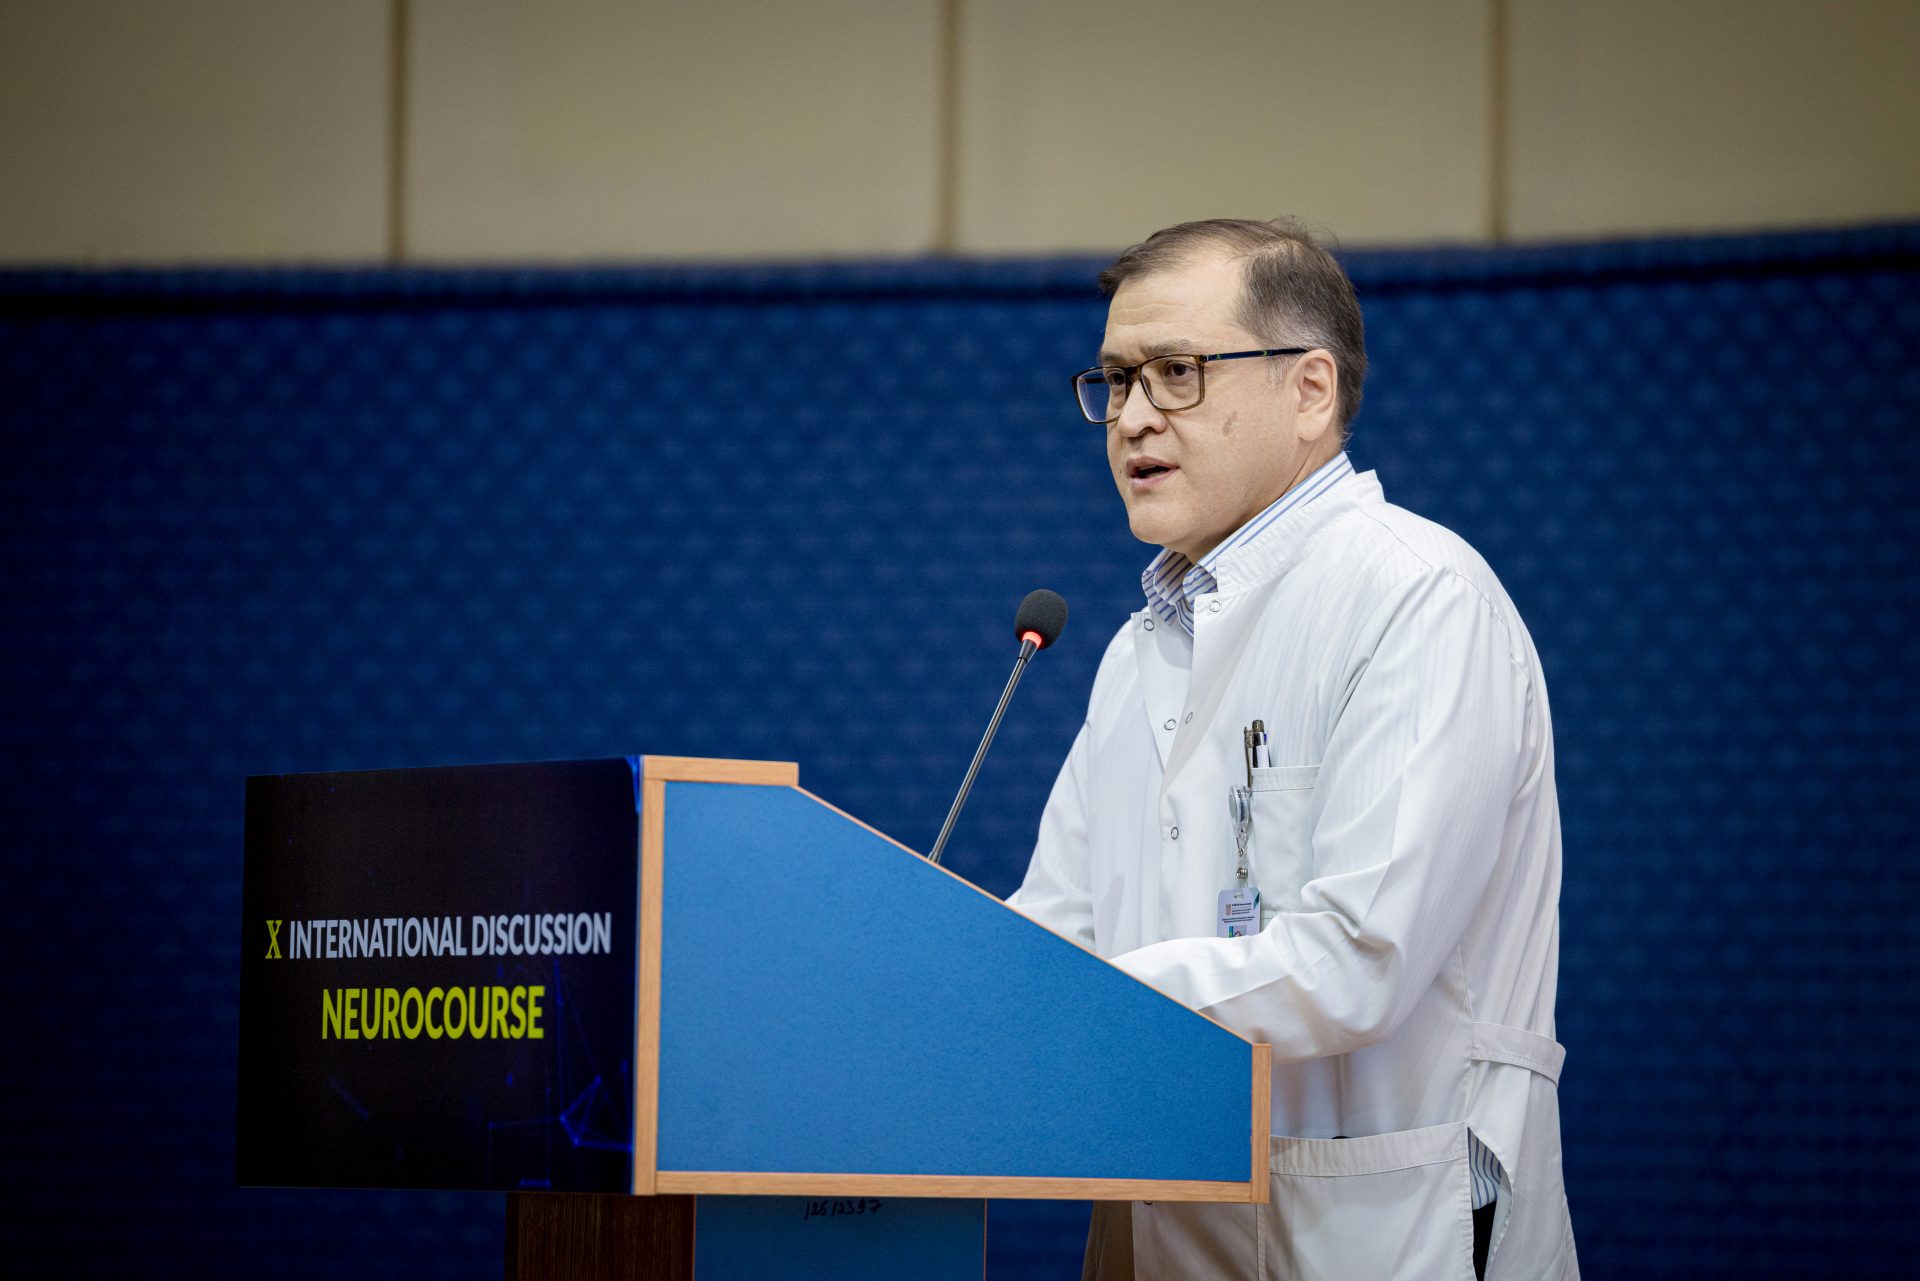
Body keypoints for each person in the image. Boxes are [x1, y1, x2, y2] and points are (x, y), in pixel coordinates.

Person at [1006, 219, 1577, 1280]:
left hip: (1384, 1232)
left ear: (1310, 390)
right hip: (1163, 1230)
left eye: (1177, 372)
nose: (1133, 417)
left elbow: (1360, 961)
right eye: (1116, 380)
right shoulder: (1136, 652)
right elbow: (1056, 934)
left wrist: (1081, 1002)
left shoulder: (1417, 597)